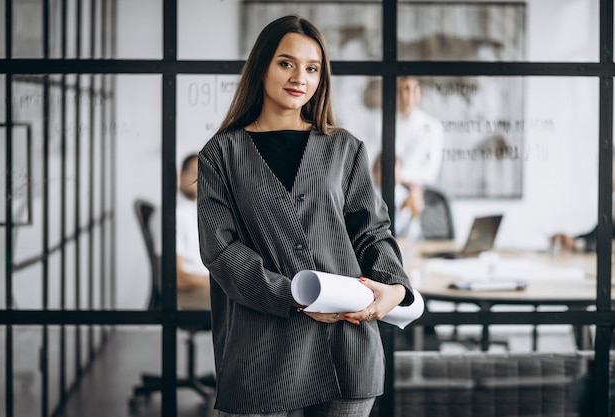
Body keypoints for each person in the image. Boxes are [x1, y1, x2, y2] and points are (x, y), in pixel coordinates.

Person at [196, 15, 415, 417]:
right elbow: (221, 251)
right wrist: (292, 296)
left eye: (312, 68)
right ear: (261, 66)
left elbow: (372, 232)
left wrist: (395, 288)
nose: (300, 77)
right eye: (286, 63)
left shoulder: (345, 149)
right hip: (262, 351)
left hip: (346, 347)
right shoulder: (221, 155)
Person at [152, 153, 210, 310]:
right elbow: (177, 278)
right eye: (194, 173)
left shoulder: (198, 209)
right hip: (186, 293)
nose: (200, 180)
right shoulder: (171, 214)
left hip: (204, 284)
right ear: (181, 176)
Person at [395, 76, 444, 186]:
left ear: (419, 93)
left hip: (420, 192)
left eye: (409, 89)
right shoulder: (381, 124)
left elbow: (430, 172)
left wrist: (398, 175)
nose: (405, 96)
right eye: (400, 91)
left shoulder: (432, 127)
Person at [372, 153, 424, 241]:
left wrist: (414, 215)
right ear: (374, 171)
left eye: (393, 169)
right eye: (381, 169)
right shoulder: (368, 194)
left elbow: (413, 237)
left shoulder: (406, 196)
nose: (387, 174)